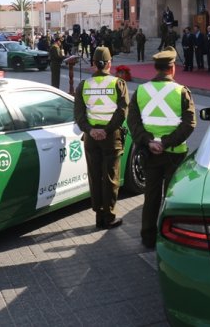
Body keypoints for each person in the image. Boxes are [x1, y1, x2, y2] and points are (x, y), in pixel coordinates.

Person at [128, 47, 195, 249]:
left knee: (151, 197)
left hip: (149, 153)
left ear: (155, 68)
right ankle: (171, 238)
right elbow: (189, 124)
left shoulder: (141, 91)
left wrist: (149, 142)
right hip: (175, 154)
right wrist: (166, 143)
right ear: (172, 68)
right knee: (172, 197)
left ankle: (148, 237)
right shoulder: (181, 91)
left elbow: (133, 122)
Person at [73, 46, 129, 230]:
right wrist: (107, 130)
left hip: (91, 138)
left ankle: (98, 215)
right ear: (109, 64)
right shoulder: (118, 83)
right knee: (111, 176)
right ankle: (109, 216)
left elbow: (79, 115)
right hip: (111, 137)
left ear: (94, 64)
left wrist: (91, 130)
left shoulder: (84, 85)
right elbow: (122, 113)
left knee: (95, 176)